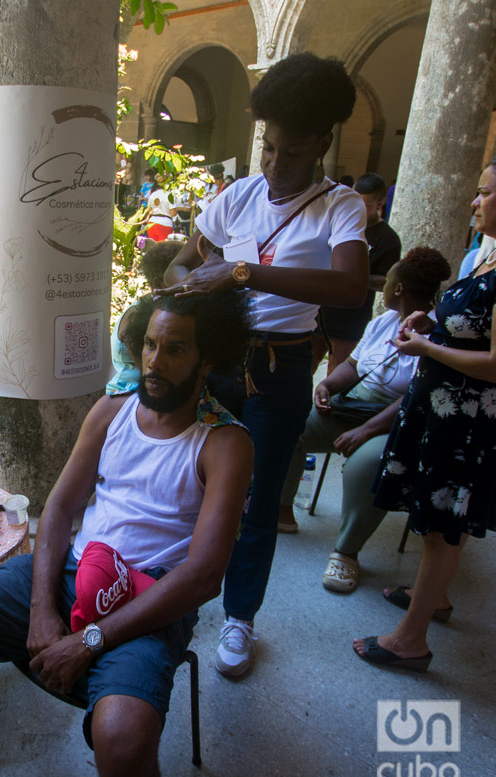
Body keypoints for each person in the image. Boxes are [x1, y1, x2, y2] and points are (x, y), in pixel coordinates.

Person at [0, 292, 253, 777]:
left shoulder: (224, 442)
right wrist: (41, 610)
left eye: (176, 349)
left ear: (207, 359)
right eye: (149, 344)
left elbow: (203, 577)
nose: (155, 361)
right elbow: (56, 510)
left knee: (123, 745)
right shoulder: (112, 411)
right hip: (73, 572)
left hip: (149, 600)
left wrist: (89, 642)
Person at [158, 52, 369, 678]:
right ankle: (173, 595)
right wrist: (189, 286)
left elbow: (351, 287)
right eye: (270, 149)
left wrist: (246, 270)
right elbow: (181, 263)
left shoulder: (342, 208)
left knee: (256, 501)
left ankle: (240, 617)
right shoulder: (239, 195)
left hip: (281, 371)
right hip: (221, 363)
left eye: (294, 153)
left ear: (323, 143)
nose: (277, 166)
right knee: (193, 486)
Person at [355, 159, 496, 673]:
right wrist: (429, 321)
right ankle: (433, 598)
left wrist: (428, 349)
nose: (475, 202)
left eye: (484, 194)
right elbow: (465, 323)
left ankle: (410, 640)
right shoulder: (482, 255)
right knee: (432, 519)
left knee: (442, 526)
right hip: (439, 411)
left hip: (464, 421)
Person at [274, 248, 451, 592]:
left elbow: (413, 399)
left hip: (397, 421)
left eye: (388, 281)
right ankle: (281, 511)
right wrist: (326, 384)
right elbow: (354, 367)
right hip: (353, 408)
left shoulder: (436, 336)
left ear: (398, 288)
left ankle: (346, 552)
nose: (383, 286)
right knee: (290, 426)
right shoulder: (383, 321)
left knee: (365, 465)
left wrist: (365, 431)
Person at [314, 173, 402, 374]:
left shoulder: (388, 239)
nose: (356, 209)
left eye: (365, 205)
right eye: (353, 201)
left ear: (380, 203)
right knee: (305, 366)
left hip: (351, 318)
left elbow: (386, 281)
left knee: (335, 372)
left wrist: (354, 277)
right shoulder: (337, 225)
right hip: (321, 313)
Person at [108, 241, 185, 395]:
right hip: (130, 395)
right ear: (160, 284)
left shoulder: (155, 308)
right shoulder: (140, 316)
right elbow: (148, 375)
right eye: (182, 274)